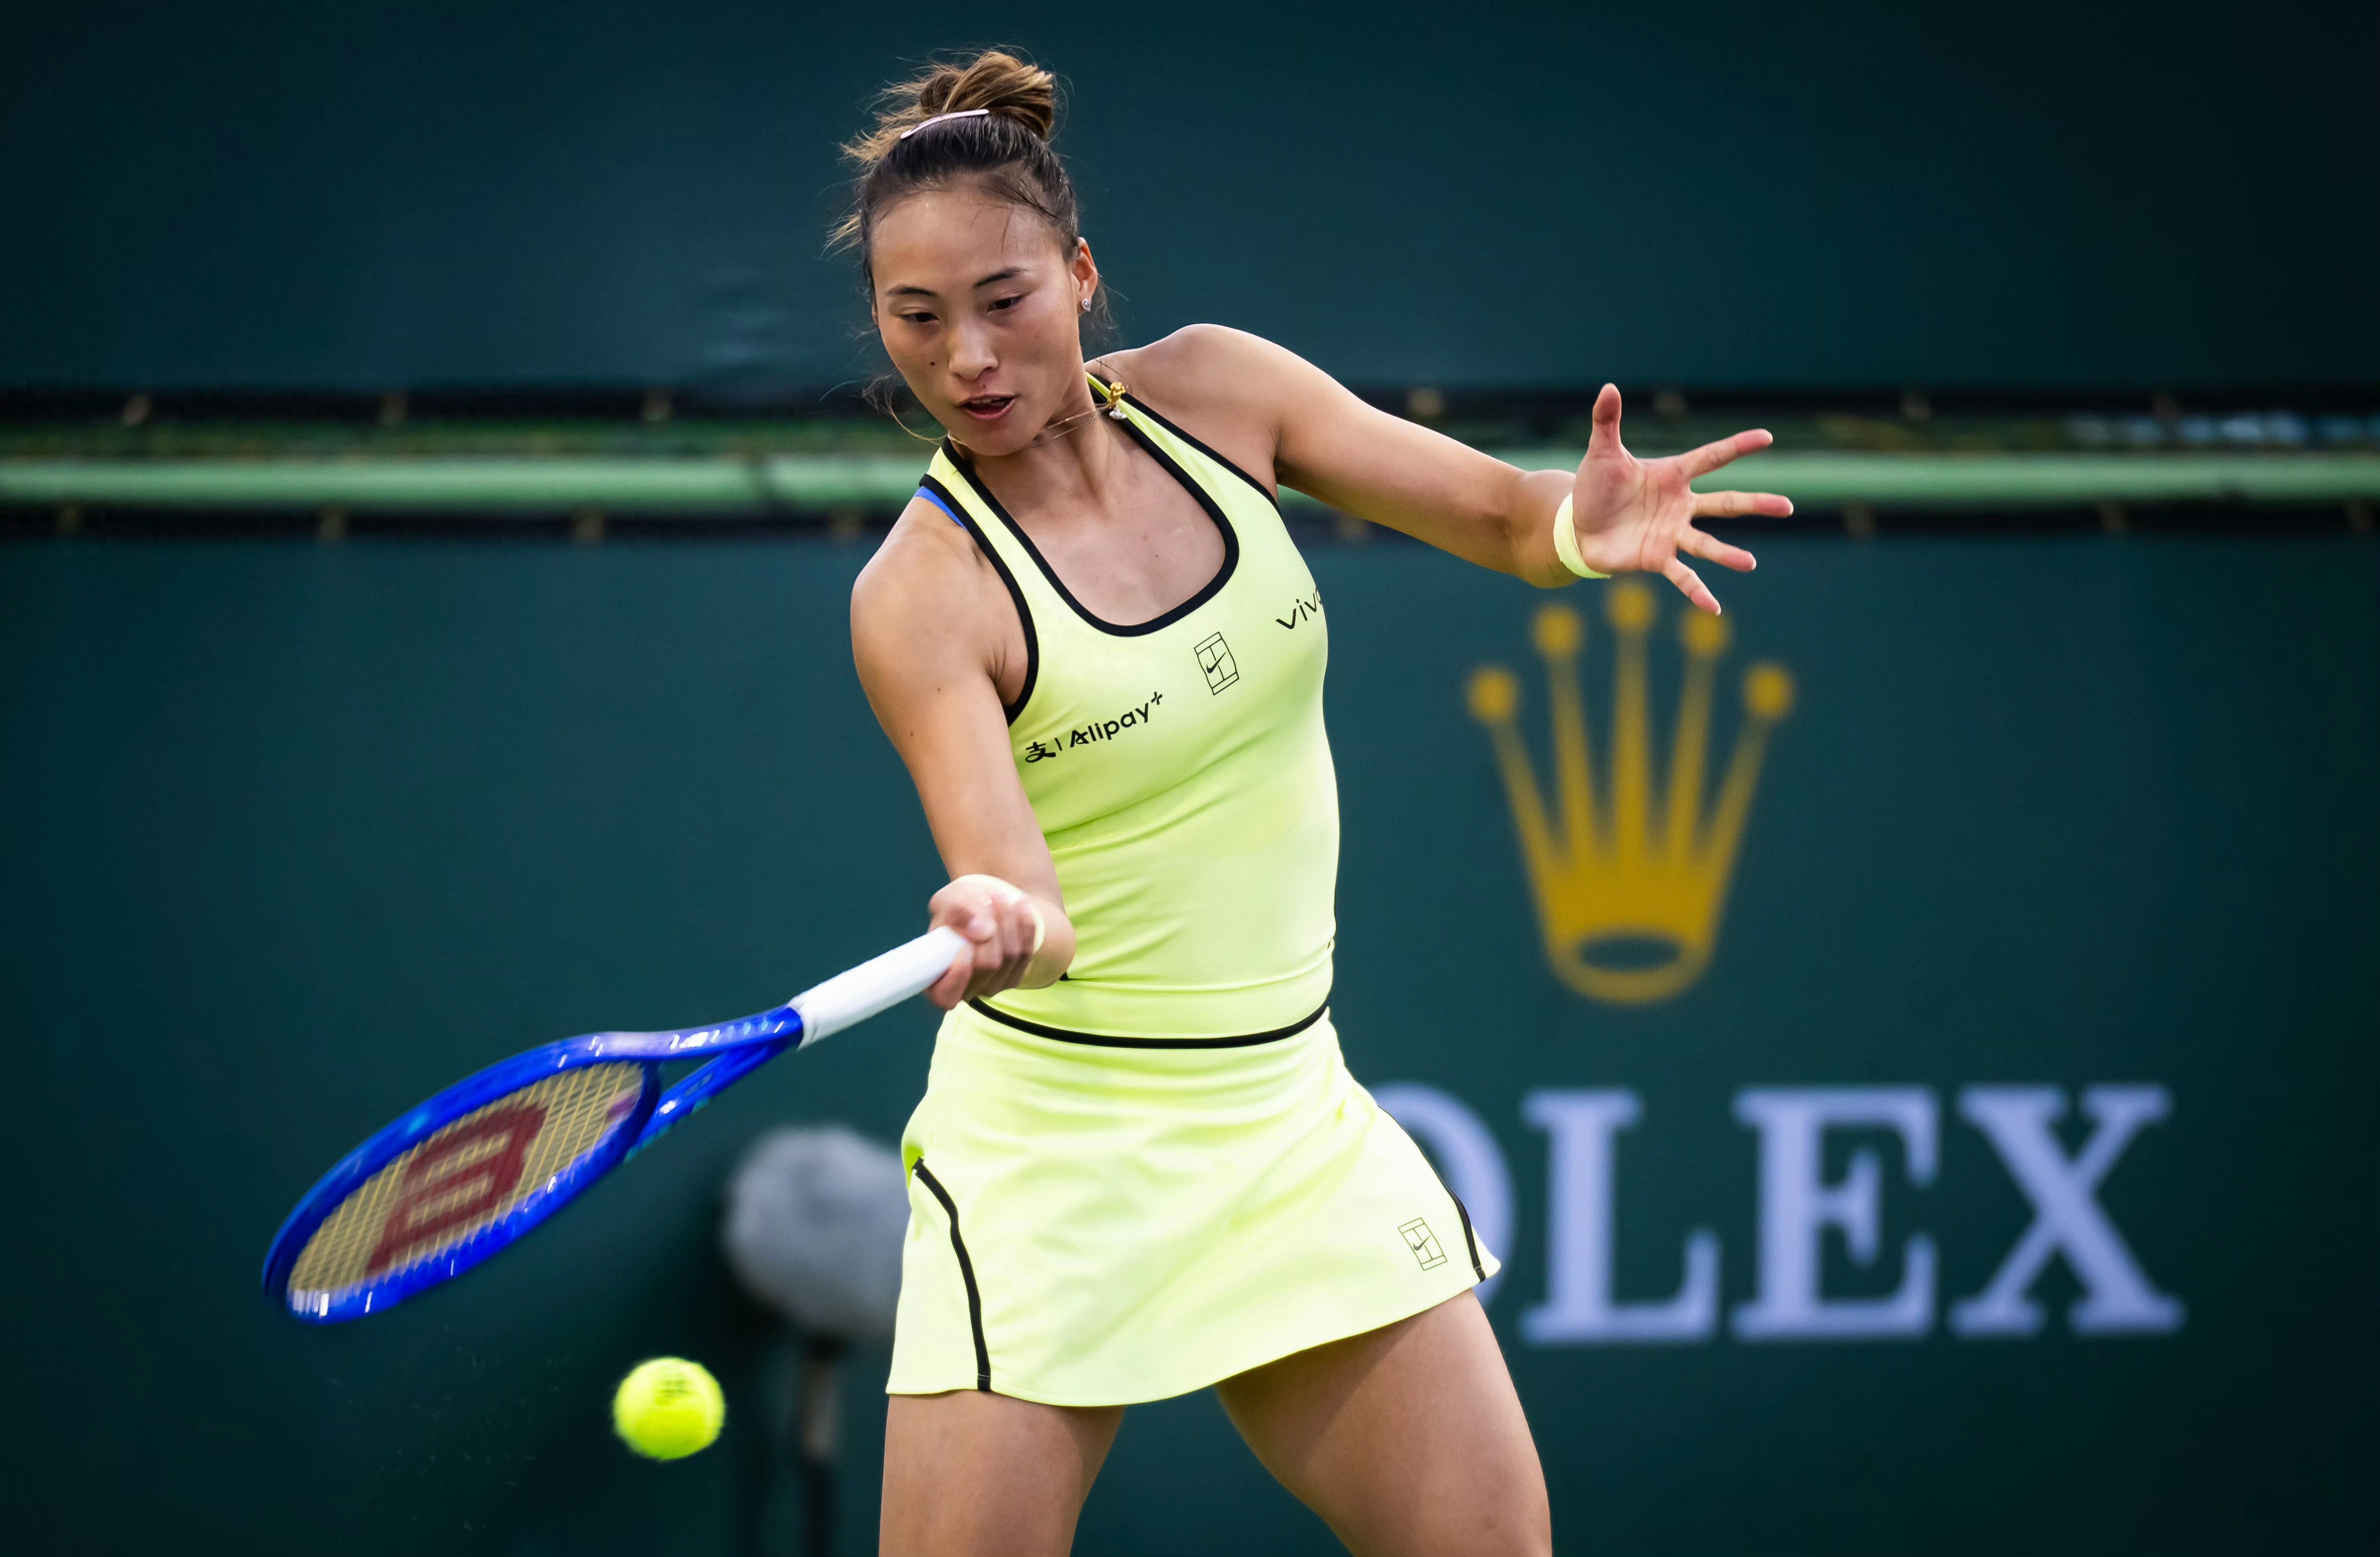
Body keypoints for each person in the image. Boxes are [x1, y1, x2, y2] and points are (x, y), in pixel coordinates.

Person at [844, 50, 1787, 1557]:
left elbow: (1502, 517)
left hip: (1288, 1118)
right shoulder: (922, 595)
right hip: (1059, 1159)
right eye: (917, 319)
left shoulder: (1222, 394)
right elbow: (1028, 900)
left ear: (1079, 276)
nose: (966, 356)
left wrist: (1576, 525)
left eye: (1003, 299)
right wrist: (1000, 917)